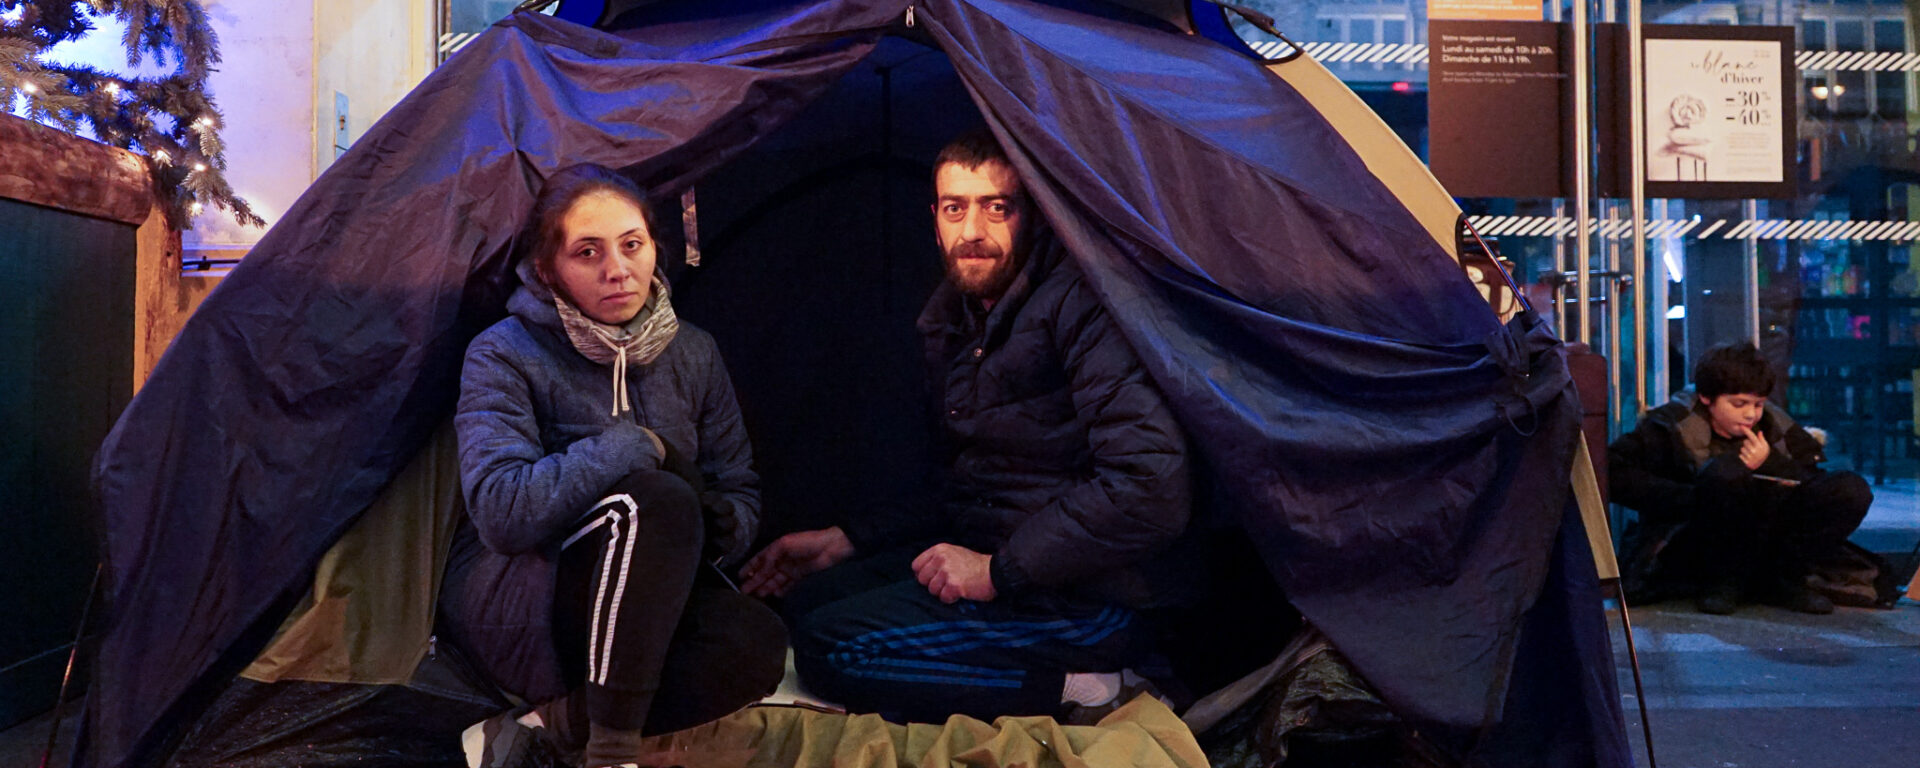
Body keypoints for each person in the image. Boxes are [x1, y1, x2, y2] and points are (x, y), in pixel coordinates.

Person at [739, 130, 1195, 724]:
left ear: (1034, 215)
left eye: (996, 207)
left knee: (833, 649)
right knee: (810, 600)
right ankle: (1065, 672)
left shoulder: (1085, 306)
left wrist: (996, 571)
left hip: (1099, 591)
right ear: (935, 218)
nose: (972, 231)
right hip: (1015, 561)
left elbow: (1151, 486)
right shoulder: (954, 321)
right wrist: (849, 539)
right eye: (956, 208)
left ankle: (1094, 683)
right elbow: (966, 481)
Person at [442, 164, 786, 768]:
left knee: (757, 643)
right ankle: (611, 753)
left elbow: (739, 486)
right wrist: (634, 446)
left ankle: (549, 725)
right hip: (527, 601)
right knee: (652, 497)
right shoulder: (503, 353)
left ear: (655, 247)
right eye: (588, 252)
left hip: (653, 600)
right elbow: (501, 513)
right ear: (548, 269)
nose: (617, 269)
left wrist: (724, 527)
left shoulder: (694, 352)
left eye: (632, 245)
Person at [1609, 342, 1872, 615]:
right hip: (1694, 544)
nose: (1751, 414)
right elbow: (1614, 473)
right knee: (1727, 473)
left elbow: (1809, 479)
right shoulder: (1670, 426)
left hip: (1771, 546)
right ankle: (1723, 583)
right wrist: (1694, 496)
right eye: (1739, 404)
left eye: (1758, 404)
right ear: (1707, 398)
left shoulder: (1773, 425)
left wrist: (1771, 463)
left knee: (1850, 489)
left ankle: (1781, 580)